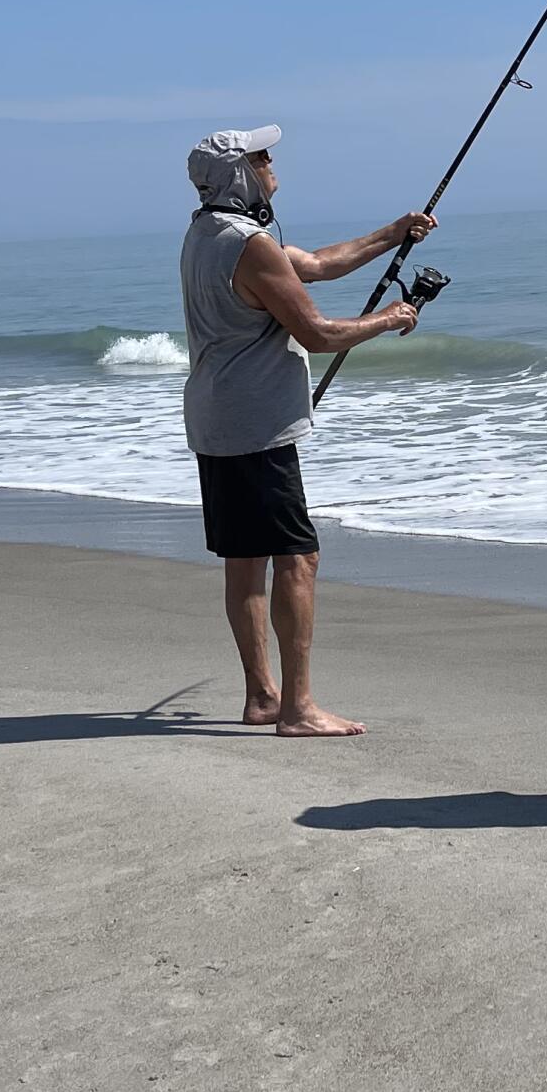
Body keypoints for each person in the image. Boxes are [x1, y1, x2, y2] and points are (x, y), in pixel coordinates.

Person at [179, 125, 433, 737]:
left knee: (244, 562)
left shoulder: (205, 234)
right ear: (238, 174)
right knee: (299, 556)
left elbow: (316, 265)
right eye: (261, 156)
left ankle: (263, 697)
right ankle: (299, 707)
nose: (272, 164)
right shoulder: (252, 245)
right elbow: (317, 333)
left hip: (217, 421)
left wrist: (391, 234)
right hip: (258, 427)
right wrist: (389, 318)